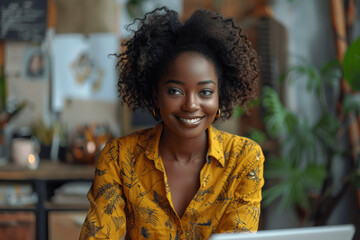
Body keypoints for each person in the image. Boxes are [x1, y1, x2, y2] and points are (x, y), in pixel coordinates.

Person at [80, 7, 264, 240]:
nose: (191, 104)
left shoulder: (244, 159)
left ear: (220, 96)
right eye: (175, 91)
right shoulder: (119, 158)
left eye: (205, 92)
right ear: (156, 95)